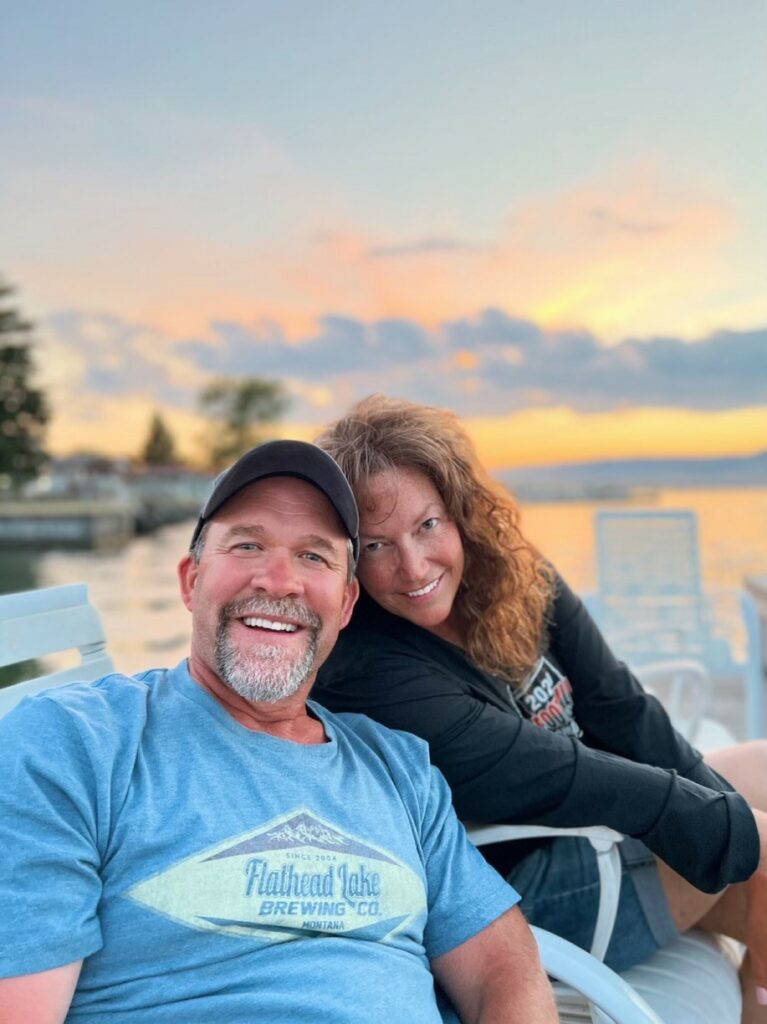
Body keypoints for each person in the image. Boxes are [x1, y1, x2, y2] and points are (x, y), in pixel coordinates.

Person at [0, 440, 558, 1024]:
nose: (279, 580)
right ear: (192, 581)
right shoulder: (74, 745)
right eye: (248, 545)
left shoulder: (398, 769)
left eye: (314, 556)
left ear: (345, 604)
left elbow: (502, 966)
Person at [314, 394, 767, 1022]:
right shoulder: (366, 667)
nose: (413, 567)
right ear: (346, 558)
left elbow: (622, 706)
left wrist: (714, 804)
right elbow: (548, 770)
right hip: (528, 884)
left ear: (460, 512)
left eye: (427, 526)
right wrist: (722, 824)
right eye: (376, 545)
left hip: (595, 824)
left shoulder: (514, 577)